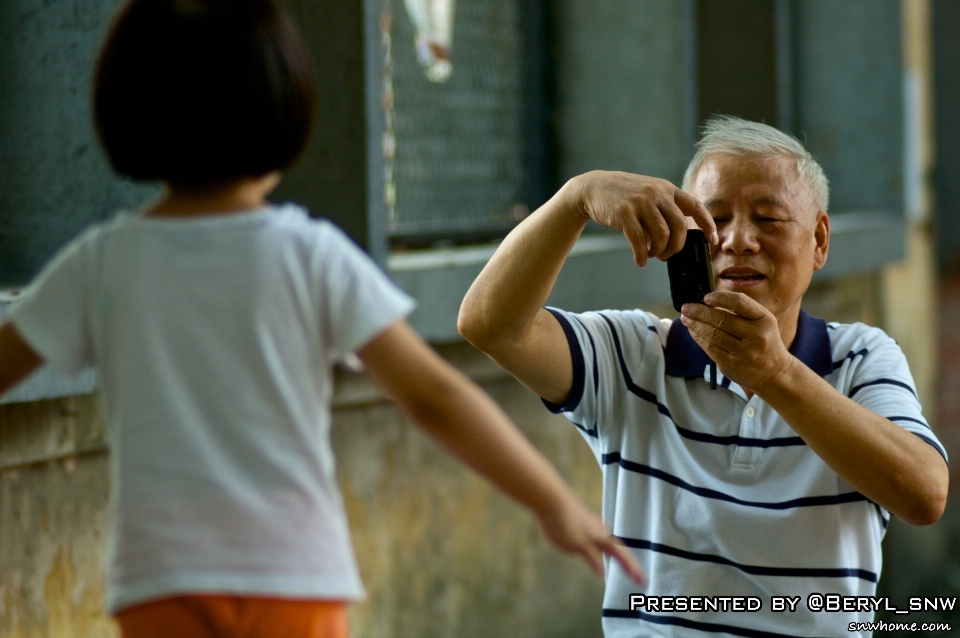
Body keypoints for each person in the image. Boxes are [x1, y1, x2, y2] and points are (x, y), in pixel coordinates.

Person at [0, 1, 643, 636]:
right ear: (283, 107)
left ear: (124, 110)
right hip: (291, 580)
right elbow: (434, 396)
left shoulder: (101, 263)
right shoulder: (309, 255)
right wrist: (551, 500)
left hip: (158, 583)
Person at [458, 116, 949, 637]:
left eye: (768, 218)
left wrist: (777, 374)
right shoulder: (634, 355)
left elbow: (923, 494)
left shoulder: (860, 357)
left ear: (819, 241)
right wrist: (574, 200)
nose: (738, 241)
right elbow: (489, 324)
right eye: (713, 221)